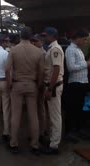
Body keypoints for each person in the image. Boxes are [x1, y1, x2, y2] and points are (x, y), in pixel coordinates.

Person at [6, 27, 44, 155]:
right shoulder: (38, 51)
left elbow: (7, 69)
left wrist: (9, 83)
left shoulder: (14, 50)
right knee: (33, 115)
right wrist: (38, 85)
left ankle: (14, 143)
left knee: (16, 115)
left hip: (17, 84)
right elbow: (41, 72)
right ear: (31, 36)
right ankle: (35, 144)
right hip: (32, 85)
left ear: (20, 36)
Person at [64, 29, 90, 142]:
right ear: (78, 38)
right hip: (75, 83)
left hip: (82, 82)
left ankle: (77, 130)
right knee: (73, 109)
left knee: (79, 108)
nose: (85, 42)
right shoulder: (70, 50)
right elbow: (71, 67)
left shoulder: (78, 49)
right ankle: (70, 132)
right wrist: (87, 63)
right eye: (84, 39)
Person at [42, 27, 64, 155]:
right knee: (52, 115)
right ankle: (52, 140)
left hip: (54, 86)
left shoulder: (55, 49)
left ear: (52, 36)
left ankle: (54, 145)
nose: (45, 38)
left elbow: (56, 69)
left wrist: (50, 88)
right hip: (52, 85)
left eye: (46, 36)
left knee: (55, 116)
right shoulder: (51, 48)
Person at [31, 34, 47, 141]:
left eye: (35, 41)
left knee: (40, 107)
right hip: (37, 82)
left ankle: (41, 131)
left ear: (41, 42)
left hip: (40, 83)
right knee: (37, 108)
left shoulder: (43, 53)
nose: (33, 43)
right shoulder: (38, 52)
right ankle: (39, 131)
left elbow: (42, 70)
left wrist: (39, 84)